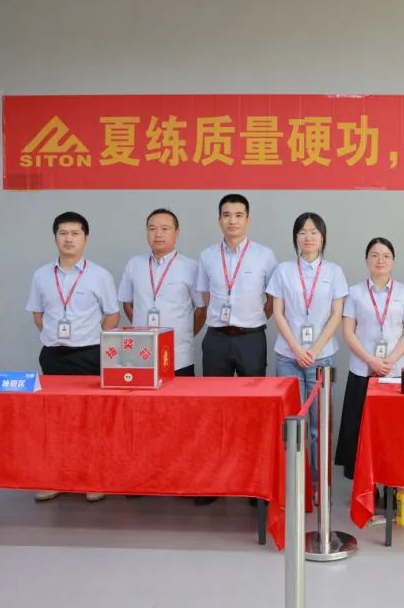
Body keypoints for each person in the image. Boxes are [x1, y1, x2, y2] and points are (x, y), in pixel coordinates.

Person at [25, 211, 120, 503]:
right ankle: (58, 479)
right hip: (53, 356)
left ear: (85, 238)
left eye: (75, 233)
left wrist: (89, 338)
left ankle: (93, 478)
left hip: (89, 355)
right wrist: (57, 337)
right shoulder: (41, 275)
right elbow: (38, 315)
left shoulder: (99, 275)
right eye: (63, 233)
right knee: (56, 419)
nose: (69, 239)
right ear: (55, 237)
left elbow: (112, 316)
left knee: (91, 419)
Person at [335, 237, 404, 502]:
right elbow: (348, 332)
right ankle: (367, 488)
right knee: (361, 431)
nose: (380, 260)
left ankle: (392, 485)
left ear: (393, 261)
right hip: (363, 370)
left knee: (393, 433)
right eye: (374, 255)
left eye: (386, 256)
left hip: (395, 373)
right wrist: (371, 360)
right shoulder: (355, 292)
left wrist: (389, 360)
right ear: (366, 260)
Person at [268, 212, 349, 483]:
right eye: (302, 232)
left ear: (322, 237)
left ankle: (317, 484)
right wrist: (297, 349)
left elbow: (336, 315)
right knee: (291, 422)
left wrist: (314, 350)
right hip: (287, 357)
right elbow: (278, 313)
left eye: (314, 232)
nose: (308, 237)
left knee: (319, 425)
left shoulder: (334, 272)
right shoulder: (283, 270)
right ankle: (293, 484)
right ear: (296, 237)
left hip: (322, 358)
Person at [196, 194, 278, 380]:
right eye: (226, 215)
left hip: (251, 339)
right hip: (216, 338)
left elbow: (272, 300)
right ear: (219, 220)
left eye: (239, 215)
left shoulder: (264, 255)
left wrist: (251, 320)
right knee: (214, 394)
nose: (232, 221)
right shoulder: (207, 256)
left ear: (248, 220)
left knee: (253, 395)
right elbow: (206, 297)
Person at [118, 208, 204, 376]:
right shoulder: (134, 264)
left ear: (177, 233)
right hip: (142, 354)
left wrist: (186, 334)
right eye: (152, 229)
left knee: (180, 393)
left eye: (165, 229)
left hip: (179, 355)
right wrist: (142, 329)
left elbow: (201, 309)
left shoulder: (191, 267)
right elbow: (127, 304)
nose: (158, 234)